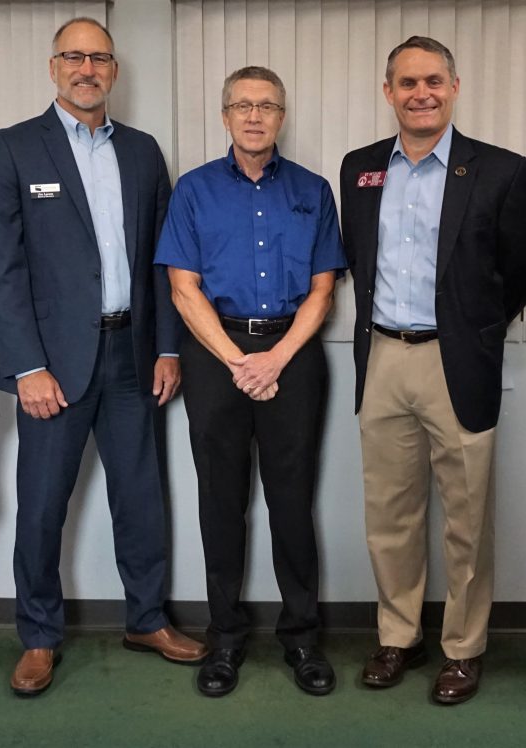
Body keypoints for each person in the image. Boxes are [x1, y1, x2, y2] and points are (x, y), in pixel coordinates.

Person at [0, 17, 205, 696]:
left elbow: (165, 260)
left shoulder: (141, 151)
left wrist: (168, 347)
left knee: (141, 498)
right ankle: (39, 636)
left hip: (133, 354)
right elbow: (2, 269)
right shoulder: (15, 149)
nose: (86, 68)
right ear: (54, 67)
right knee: (43, 505)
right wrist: (25, 365)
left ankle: (146, 618)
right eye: (73, 57)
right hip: (54, 364)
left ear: (113, 69)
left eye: (98, 57)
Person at [339, 36, 526, 705]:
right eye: (406, 82)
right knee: (390, 514)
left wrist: (480, 326)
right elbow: (355, 258)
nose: (420, 93)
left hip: (457, 359)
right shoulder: (360, 168)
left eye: (432, 81)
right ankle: (399, 636)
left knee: (467, 517)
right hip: (382, 358)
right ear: (388, 92)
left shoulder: (499, 170)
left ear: (454, 86)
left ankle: (463, 648)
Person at [156, 66, 346, 698]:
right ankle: (226, 640)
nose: (255, 116)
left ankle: (301, 638)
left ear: (282, 116)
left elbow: (323, 290)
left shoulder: (314, 191)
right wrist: (239, 360)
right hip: (217, 355)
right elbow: (183, 289)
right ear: (225, 116)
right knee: (221, 502)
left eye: (267, 105)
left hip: (293, 353)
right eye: (243, 105)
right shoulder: (194, 190)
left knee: (293, 503)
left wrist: (277, 358)